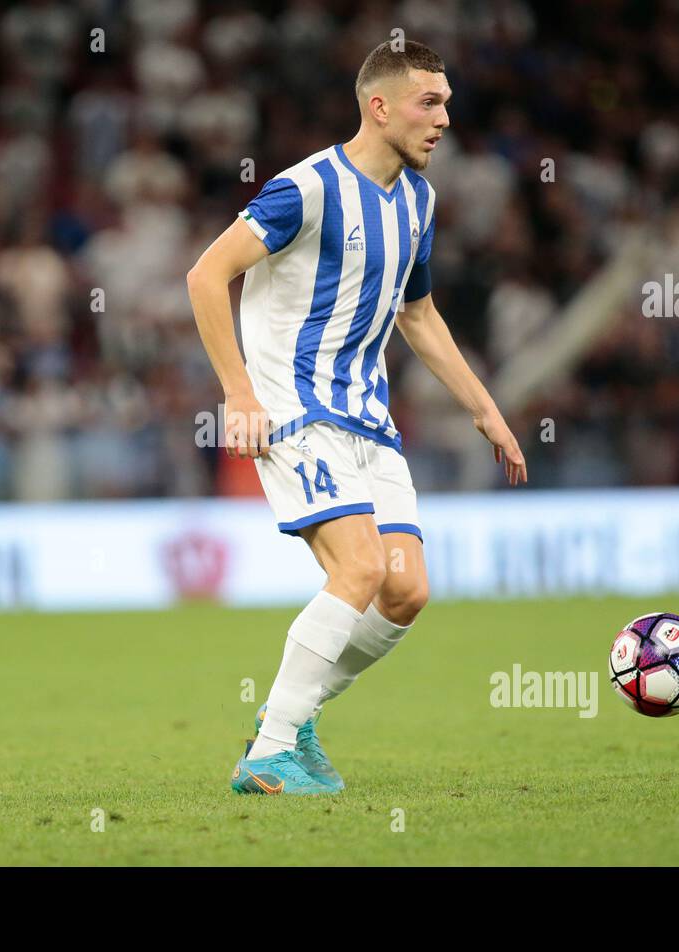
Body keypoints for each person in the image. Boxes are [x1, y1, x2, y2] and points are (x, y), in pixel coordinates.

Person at [187, 39, 527, 795]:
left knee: (405, 592)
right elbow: (208, 274)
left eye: (446, 102)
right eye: (428, 102)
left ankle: (286, 717)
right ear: (379, 106)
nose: (444, 118)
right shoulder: (304, 189)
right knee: (361, 568)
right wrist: (239, 394)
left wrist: (487, 410)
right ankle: (270, 753)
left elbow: (420, 315)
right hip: (295, 410)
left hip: (369, 419)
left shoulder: (418, 200)